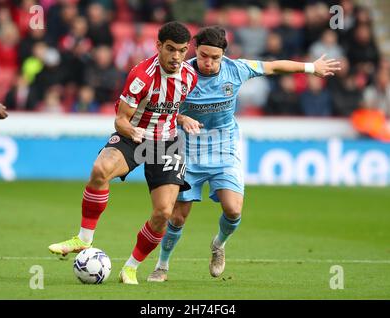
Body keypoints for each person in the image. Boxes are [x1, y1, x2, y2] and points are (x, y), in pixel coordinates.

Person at [147, 26, 341, 282]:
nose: (208, 62)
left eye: (215, 57)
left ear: (224, 54)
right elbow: (162, 109)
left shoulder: (236, 69)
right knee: (178, 216)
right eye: (204, 55)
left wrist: (310, 68)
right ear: (195, 51)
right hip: (186, 150)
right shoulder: (180, 73)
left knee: (233, 210)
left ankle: (218, 245)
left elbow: (273, 67)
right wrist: (182, 118)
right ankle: (162, 265)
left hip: (223, 148)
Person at [48, 21, 198, 285]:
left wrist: (182, 118)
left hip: (167, 143)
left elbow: (172, 106)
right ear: (159, 46)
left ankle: (130, 267)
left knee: (164, 213)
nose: (176, 57)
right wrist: (133, 132)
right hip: (134, 136)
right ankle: (83, 238)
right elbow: (120, 120)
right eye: (171, 49)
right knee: (100, 170)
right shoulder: (141, 76)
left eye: (183, 51)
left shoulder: (189, 76)